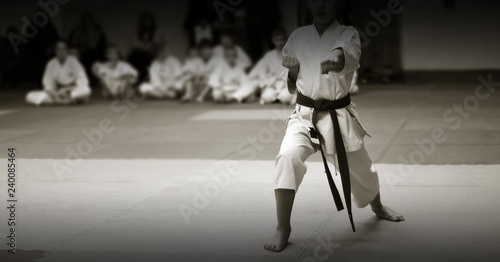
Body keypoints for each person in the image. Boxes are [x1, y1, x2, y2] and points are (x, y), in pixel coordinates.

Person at [263, 0, 404, 253]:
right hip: (304, 116)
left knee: (362, 169)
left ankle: (378, 207)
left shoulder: (347, 33)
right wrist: (293, 71)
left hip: (336, 116)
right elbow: (292, 84)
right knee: (287, 158)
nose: (322, 6)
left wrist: (335, 59)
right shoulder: (298, 36)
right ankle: (282, 227)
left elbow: (345, 55)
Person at [231, 27, 295, 105]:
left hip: (286, 85)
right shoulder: (269, 55)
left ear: (286, 39)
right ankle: (236, 97)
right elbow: (261, 70)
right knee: (267, 97)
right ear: (272, 40)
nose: (279, 42)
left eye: (281, 39)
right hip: (272, 83)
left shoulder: (291, 54)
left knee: (285, 97)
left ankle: (280, 97)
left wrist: (288, 84)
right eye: (277, 40)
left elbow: (295, 73)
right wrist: (267, 83)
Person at [26, 41, 91, 106]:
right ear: (55, 51)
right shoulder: (51, 64)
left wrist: (67, 89)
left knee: (86, 90)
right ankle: (63, 101)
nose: (61, 52)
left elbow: (83, 81)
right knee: (30, 96)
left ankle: (65, 100)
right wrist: (55, 94)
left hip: (71, 91)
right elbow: (47, 84)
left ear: (67, 51)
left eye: (64, 49)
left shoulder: (74, 62)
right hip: (57, 93)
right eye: (59, 49)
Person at [68, 13, 107, 84]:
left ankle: (93, 81)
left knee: (93, 58)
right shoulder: (77, 31)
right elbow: (72, 45)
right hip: (81, 55)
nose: (87, 23)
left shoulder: (97, 32)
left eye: (89, 21)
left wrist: (91, 33)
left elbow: (98, 47)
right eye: (85, 21)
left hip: (96, 55)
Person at [128, 12, 163, 82]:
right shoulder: (137, 33)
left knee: (141, 60)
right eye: (144, 21)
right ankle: (136, 83)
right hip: (138, 56)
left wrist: (144, 46)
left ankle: (143, 82)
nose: (146, 23)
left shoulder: (156, 33)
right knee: (133, 57)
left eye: (147, 21)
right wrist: (145, 46)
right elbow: (134, 45)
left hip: (151, 57)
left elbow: (154, 47)